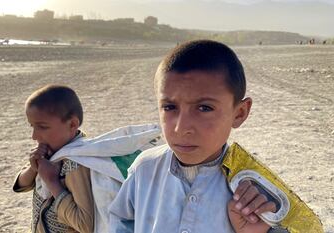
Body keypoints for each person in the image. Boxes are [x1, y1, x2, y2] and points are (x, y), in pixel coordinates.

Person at [109, 40, 285, 233]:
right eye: (169, 107)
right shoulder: (144, 169)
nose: (181, 128)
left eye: (204, 108)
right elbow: (121, 220)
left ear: (240, 113)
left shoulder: (254, 190)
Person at [13, 85, 93, 233]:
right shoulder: (53, 150)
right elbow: (21, 185)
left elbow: (85, 225)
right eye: (32, 126)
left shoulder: (77, 162)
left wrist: (52, 182)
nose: (34, 136)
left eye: (42, 127)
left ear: (72, 124)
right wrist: (33, 168)